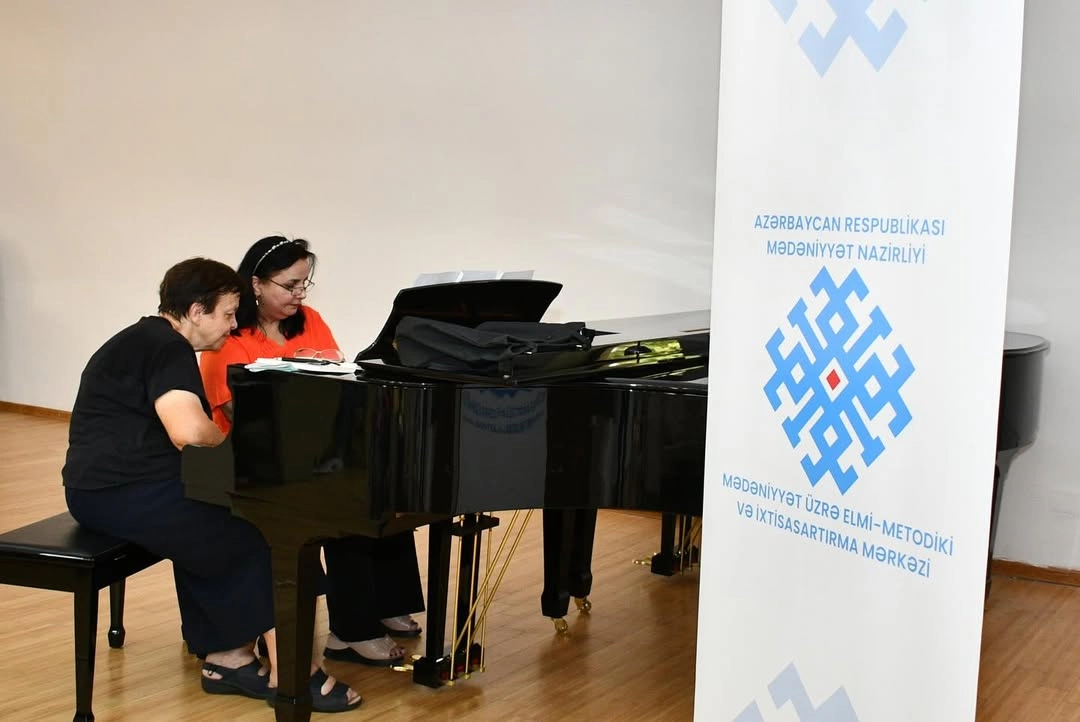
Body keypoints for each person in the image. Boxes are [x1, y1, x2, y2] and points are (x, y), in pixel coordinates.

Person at [62, 257, 361, 713]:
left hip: (106, 489)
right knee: (265, 535)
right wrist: (230, 445)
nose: (233, 326)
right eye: (228, 314)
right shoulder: (168, 347)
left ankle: (227, 659)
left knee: (217, 519)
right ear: (196, 311)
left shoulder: (143, 338)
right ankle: (295, 673)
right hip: (120, 493)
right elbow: (188, 431)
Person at [199, 236, 426, 666]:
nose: (299, 294)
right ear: (256, 284)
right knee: (345, 497)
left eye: (305, 284)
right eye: (290, 285)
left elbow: (339, 378)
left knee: (384, 477)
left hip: (310, 446)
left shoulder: (310, 320)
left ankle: (387, 602)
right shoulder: (230, 336)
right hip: (253, 460)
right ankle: (352, 631)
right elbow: (240, 414)